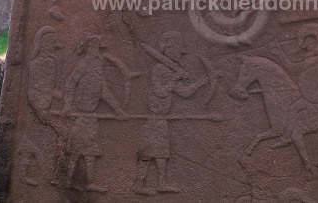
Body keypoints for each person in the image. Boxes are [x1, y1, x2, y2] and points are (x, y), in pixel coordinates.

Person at [134, 31, 209, 195]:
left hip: (162, 119)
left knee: (161, 154)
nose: (177, 54)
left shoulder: (169, 71)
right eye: (175, 50)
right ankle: (139, 185)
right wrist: (176, 77)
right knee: (147, 154)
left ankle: (161, 184)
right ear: (166, 49)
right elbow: (160, 92)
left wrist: (202, 82)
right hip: (154, 118)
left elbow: (184, 93)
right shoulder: (159, 69)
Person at [63, 36, 127, 193]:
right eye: (97, 47)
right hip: (81, 114)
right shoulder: (86, 63)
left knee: (91, 151)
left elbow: (102, 90)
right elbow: (71, 82)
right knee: (76, 150)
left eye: (99, 47)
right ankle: (68, 180)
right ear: (90, 47)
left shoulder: (97, 65)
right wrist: (67, 106)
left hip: (91, 115)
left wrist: (117, 109)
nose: (98, 51)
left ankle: (89, 182)